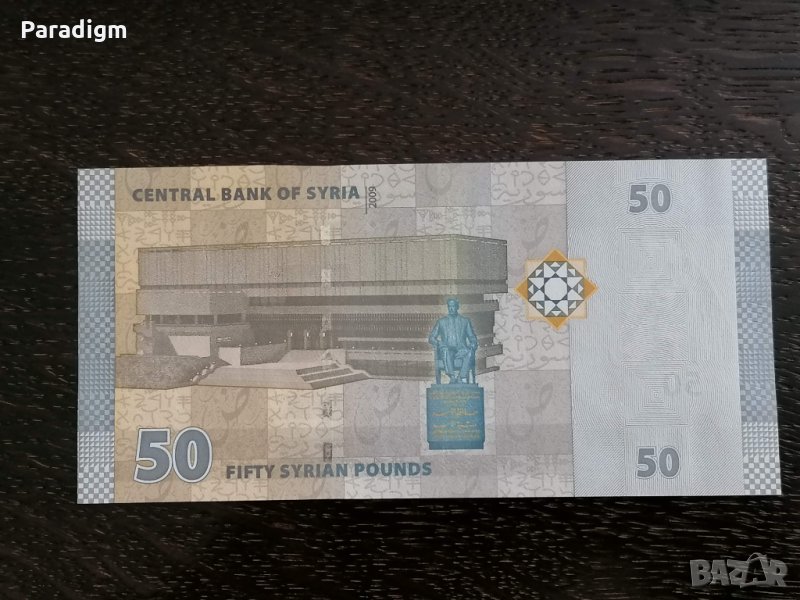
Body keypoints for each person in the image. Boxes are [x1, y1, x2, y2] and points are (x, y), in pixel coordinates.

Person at [428, 298, 478, 384]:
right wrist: (439, 343)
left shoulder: (465, 321)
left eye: (453, 306)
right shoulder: (441, 322)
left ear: (457, 307)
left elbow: (472, 337)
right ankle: (452, 377)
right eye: (449, 306)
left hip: (461, 350)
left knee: (469, 352)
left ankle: (461, 377)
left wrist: (473, 344)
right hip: (447, 350)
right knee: (446, 351)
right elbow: (431, 338)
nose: (451, 309)